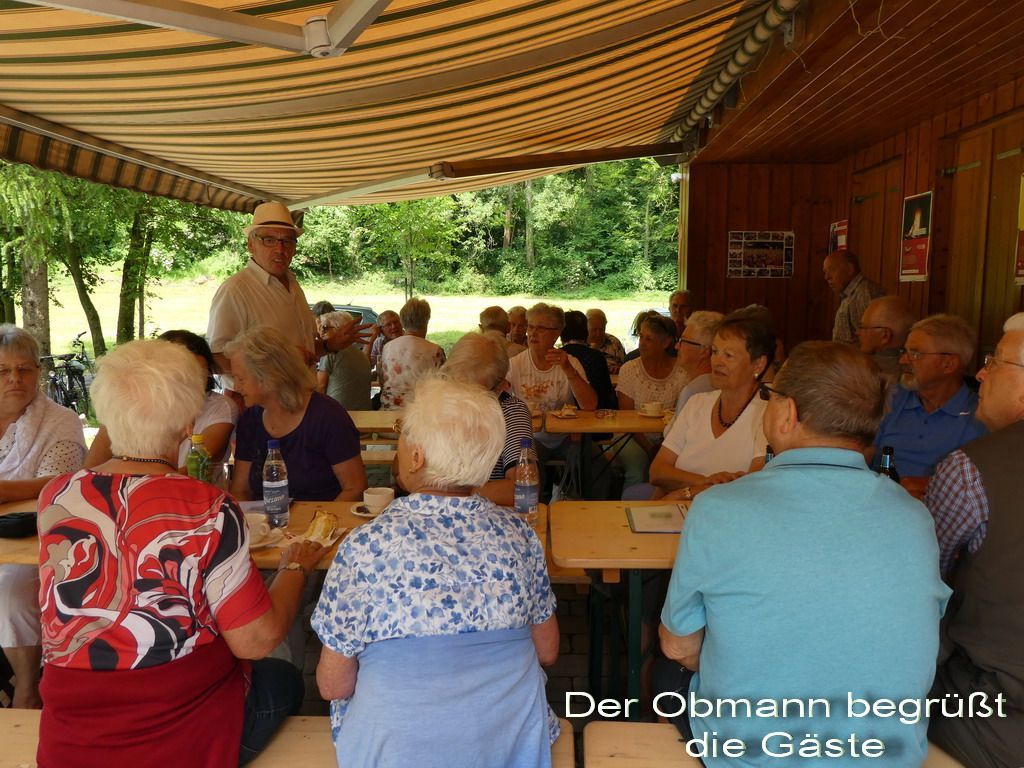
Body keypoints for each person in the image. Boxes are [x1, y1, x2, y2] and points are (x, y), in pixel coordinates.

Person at [656, 342, 950, 767]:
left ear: (787, 413)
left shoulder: (719, 507)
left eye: (770, 396)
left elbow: (678, 645)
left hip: (753, 752)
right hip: (883, 752)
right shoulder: (913, 516)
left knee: (666, 670)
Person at [35, 338, 325, 767]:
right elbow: (255, 640)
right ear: (190, 420)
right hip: (176, 734)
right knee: (283, 678)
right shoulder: (205, 506)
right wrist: (296, 567)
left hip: (71, 738)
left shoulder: (56, 496)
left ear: (108, 415)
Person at [312, 377, 559, 767]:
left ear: (416, 458)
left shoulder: (364, 548)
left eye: (403, 438)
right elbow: (548, 652)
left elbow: (332, 685)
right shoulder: (520, 537)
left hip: (397, 752)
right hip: (508, 747)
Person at [924, 312, 1024, 766]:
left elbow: (925, 582)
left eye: (994, 361)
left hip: (992, 712)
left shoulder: (968, 469)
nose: (980, 373)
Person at [0, 325, 86, 709]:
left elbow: (57, 485)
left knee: (11, 589)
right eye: (2, 371)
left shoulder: (60, 421)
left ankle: (27, 689)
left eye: (24, 369)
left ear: (38, 372)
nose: (15, 379)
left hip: (38, 537)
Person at [207, 202, 367, 384]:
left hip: (300, 400)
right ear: (251, 245)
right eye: (269, 240)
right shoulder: (236, 290)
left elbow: (301, 352)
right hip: (259, 407)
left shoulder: (293, 284)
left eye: (287, 240)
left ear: (295, 247)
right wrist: (279, 363)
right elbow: (217, 360)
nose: (280, 249)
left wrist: (329, 345)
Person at [227, 326, 366, 502]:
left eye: (241, 379)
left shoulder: (327, 416)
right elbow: (241, 490)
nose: (236, 387)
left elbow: (355, 488)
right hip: (265, 526)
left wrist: (318, 525)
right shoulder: (250, 421)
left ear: (270, 376)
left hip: (323, 522)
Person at [85, 329, 239, 485]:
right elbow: (90, 469)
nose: (196, 381)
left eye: (201, 372)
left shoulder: (220, 407)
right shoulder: (130, 405)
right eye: (186, 373)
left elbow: (196, 467)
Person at [647, 312, 773, 499]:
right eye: (715, 352)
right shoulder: (697, 403)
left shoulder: (768, 414)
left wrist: (687, 491)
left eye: (728, 355)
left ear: (758, 365)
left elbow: (752, 485)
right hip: (674, 515)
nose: (717, 362)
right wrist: (705, 482)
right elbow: (657, 472)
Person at [872, 314, 987, 479]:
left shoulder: (980, 416)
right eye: (904, 351)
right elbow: (863, 453)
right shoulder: (890, 398)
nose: (903, 360)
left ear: (948, 364)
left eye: (915, 353)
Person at [441, 332, 533, 506]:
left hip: (489, 520)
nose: (463, 398)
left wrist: (452, 493)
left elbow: (522, 487)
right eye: (456, 386)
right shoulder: (437, 405)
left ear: (501, 385)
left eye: (475, 392)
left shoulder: (512, 412)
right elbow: (404, 473)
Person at [507, 303, 598, 460]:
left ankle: (571, 485)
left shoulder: (570, 362)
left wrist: (568, 370)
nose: (533, 333)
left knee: (591, 461)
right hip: (530, 436)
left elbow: (590, 406)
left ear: (556, 334)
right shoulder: (515, 364)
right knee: (529, 458)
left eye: (541, 328)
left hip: (565, 436)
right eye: (531, 327)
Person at [616, 314, 689, 488]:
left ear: (665, 343)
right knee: (638, 469)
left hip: (671, 438)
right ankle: (629, 509)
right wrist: (650, 448)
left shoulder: (682, 371)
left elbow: (684, 415)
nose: (642, 342)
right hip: (631, 437)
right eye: (641, 336)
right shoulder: (629, 369)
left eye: (649, 339)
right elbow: (627, 420)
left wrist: (665, 445)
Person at [379, 298, 446, 409]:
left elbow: (383, 380)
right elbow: (444, 385)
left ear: (403, 321)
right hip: (420, 414)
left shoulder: (387, 347)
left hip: (388, 410)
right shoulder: (435, 351)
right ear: (426, 320)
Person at [666, 310, 722, 429]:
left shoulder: (694, 392)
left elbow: (675, 442)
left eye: (683, 341)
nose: (676, 346)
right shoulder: (724, 384)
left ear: (704, 350)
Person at [823, 250, 884, 344]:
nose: (826, 277)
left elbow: (872, 341)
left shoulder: (864, 293)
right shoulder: (850, 293)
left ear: (850, 269)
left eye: (831, 270)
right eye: (825, 272)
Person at [317, 310, 372, 412]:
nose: (321, 333)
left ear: (340, 330)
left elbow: (320, 388)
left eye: (325, 328)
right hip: (363, 416)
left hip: (337, 416)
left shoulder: (332, 352)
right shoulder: (361, 355)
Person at [560, 310, 616, 410]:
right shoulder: (597, 356)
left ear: (561, 333)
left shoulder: (557, 357)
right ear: (586, 332)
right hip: (597, 414)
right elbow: (608, 393)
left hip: (564, 414)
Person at [856, 295, 917, 378]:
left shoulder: (869, 373)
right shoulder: (917, 369)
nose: (857, 332)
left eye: (862, 327)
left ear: (885, 336)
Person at [586, 308, 625, 373]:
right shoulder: (580, 344)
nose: (598, 334)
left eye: (601, 329)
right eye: (594, 330)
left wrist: (619, 368)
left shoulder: (614, 342)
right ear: (586, 327)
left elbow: (625, 366)